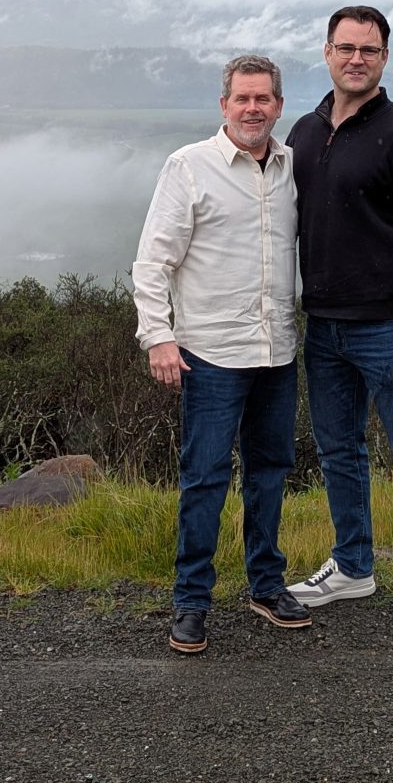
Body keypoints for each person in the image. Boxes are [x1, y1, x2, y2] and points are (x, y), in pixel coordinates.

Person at [285, 6, 393, 641]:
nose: (356, 58)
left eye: (370, 49)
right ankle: (354, 567)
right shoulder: (304, 131)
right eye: (346, 47)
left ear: (385, 59)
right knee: (338, 452)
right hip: (323, 327)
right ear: (326, 53)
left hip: (391, 329)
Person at [132, 55, 311, 654]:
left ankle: (265, 585)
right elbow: (154, 260)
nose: (253, 108)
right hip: (209, 353)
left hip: (278, 352)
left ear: (279, 105)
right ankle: (191, 601)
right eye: (242, 99)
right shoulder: (189, 166)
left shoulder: (291, 167)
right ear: (224, 105)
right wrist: (157, 335)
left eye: (264, 98)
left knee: (270, 473)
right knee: (205, 478)